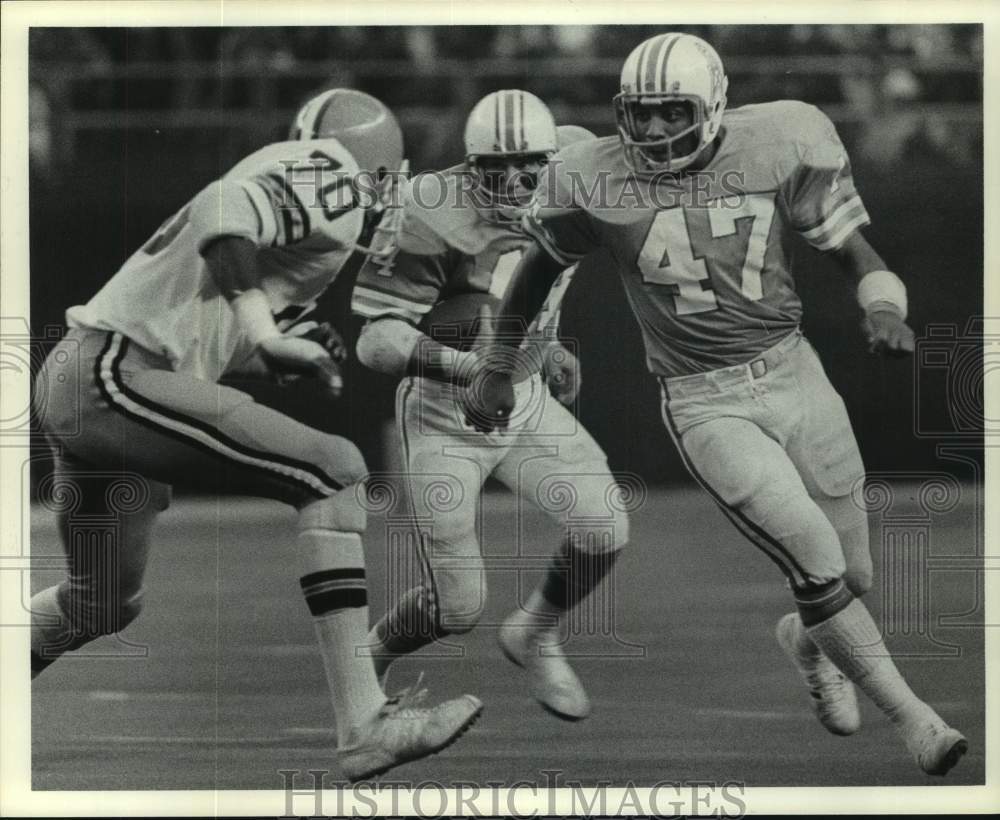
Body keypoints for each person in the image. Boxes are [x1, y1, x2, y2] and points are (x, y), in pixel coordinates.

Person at [470, 35, 967, 776]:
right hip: (705, 401)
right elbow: (534, 275)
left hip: (795, 373)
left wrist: (882, 306)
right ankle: (916, 721)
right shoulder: (592, 175)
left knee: (852, 573)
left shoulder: (782, 139)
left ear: (714, 105)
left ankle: (807, 643)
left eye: (674, 112)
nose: (654, 131)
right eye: (639, 116)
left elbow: (854, 251)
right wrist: (500, 367)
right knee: (818, 566)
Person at [30, 88, 481, 783]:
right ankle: (365, 727)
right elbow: (223, 208)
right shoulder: (331, 170)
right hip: (112, 375)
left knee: (100, 604)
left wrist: (270, 343)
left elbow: (202, 320)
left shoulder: (308, 206)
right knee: (334, 471)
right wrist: (268, 332)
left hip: (95, 378)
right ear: (383, 170)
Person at [351, 90, 627, 721]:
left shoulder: (578, 169)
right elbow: (375, 338)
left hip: (526, 402)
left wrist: (548, 345)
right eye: (493, 168)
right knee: (456, 609)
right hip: (446, 414)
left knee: (606, 528)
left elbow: (537, 280)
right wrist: (470, 366)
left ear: (553, 156)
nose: (511, 181)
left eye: (528, 165)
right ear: (470, 164)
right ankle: (365, 661)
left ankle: (533, 631)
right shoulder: (431, 208)